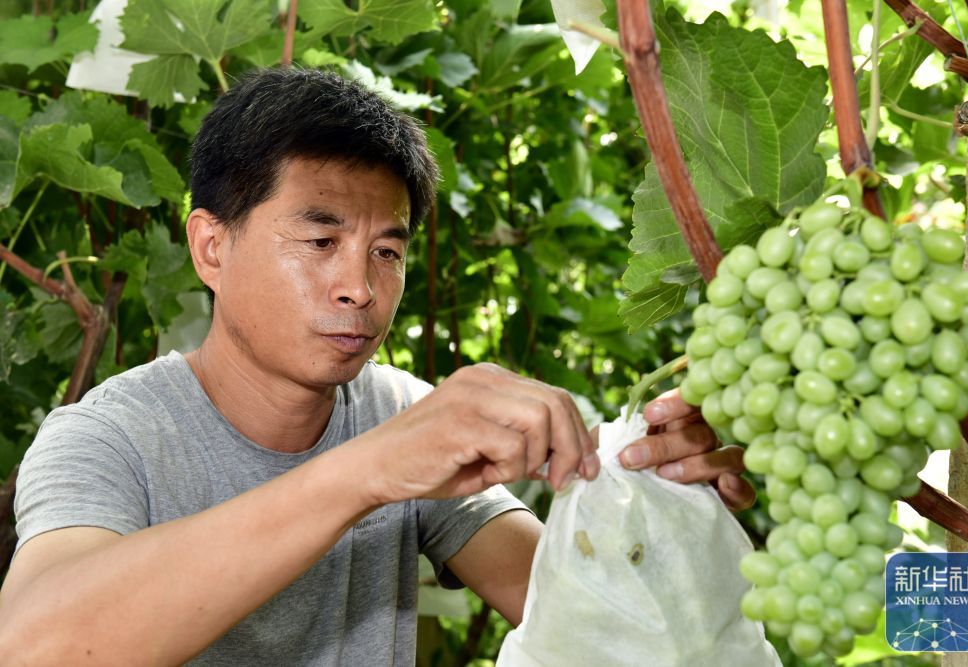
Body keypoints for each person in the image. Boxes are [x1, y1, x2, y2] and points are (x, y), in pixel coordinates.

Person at [0, 68, 754, 665]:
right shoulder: (107, 438)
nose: (359, 287)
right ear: (211, 247)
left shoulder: (398, 410)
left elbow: (578, 609)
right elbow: (35, 646)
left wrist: (659, 502)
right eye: (320, 242)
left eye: (386, 252)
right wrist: (371, 470)